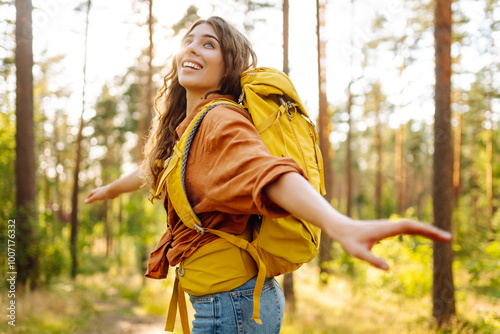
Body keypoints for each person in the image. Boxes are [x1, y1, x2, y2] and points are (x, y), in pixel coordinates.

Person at [86, 16, 452, 333]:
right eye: (188, 41)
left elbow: (268, 173)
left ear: (228, 68)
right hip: (231, 303)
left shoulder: (219, 119)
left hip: (232, 307)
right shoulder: (192, 128)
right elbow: (157, 166)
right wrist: (111, 190)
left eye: (208, 44)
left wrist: (338, 224)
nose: (193, 49)